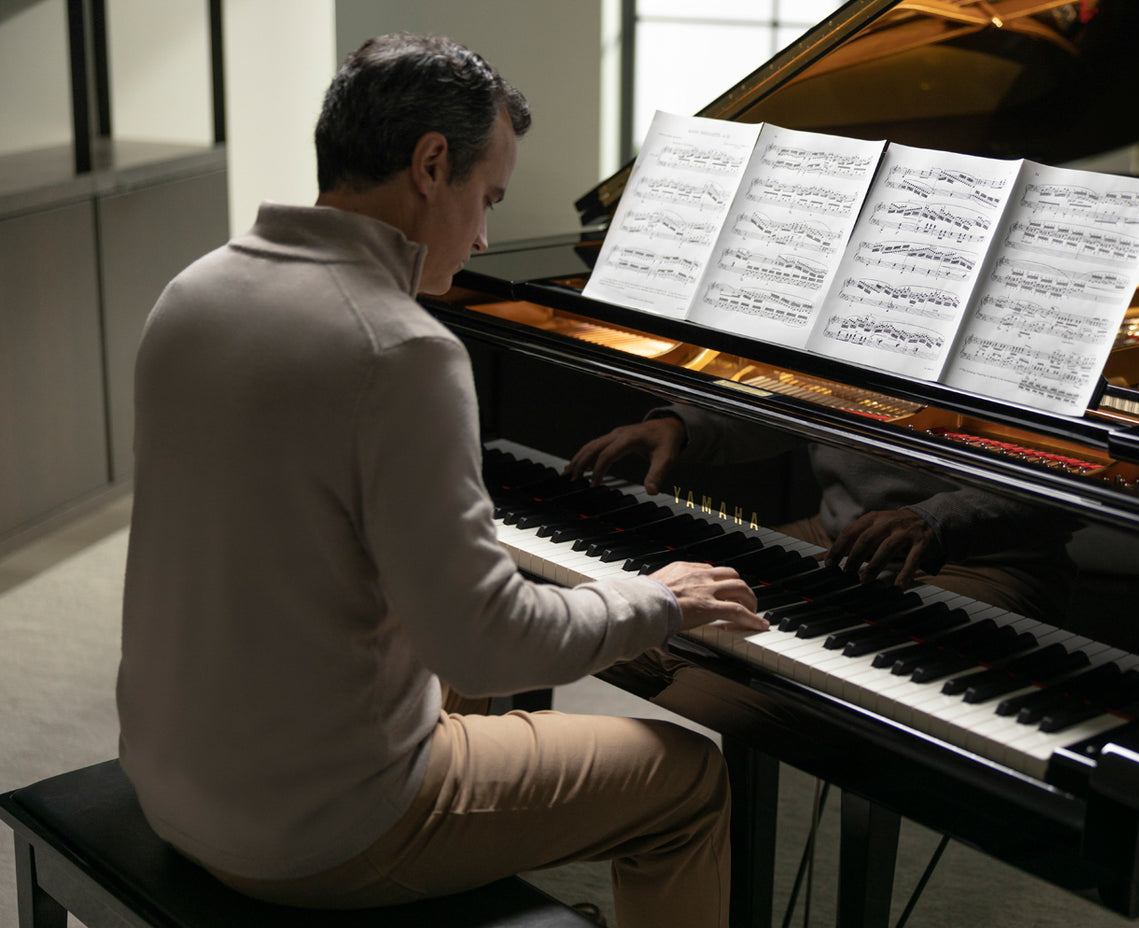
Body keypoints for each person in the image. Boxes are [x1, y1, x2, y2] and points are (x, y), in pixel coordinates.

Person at [116, 33, 765, 928]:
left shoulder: (194, 289)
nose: (486, 235)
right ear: (430, 166)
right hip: (313, 829)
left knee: (454, 677)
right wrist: (653, 600)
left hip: (169, 773)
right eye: (487, 197)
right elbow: (484, 644)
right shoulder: (401, 348)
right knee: (688, 779)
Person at [566, 405, 1076, 623]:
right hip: (834, 536)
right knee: (645, 629)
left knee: (712, 680)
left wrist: (940, 518)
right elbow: (794, 403)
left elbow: (1077, 475)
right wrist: (683, 424)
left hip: (982, 562)